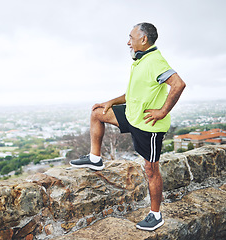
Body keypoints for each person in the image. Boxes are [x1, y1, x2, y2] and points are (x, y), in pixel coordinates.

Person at [70, 22, 186, 231]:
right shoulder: (139, 62)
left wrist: (162, 112)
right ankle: (95, 158)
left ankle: (155, 215)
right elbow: (133, 94)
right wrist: (111, 102)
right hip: (133, 115)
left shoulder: (155, 61)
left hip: (149, 125)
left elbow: (179, 84)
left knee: (151, 170)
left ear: (143, 39)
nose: (128, 42)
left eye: (131, 38)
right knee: (97, 113)